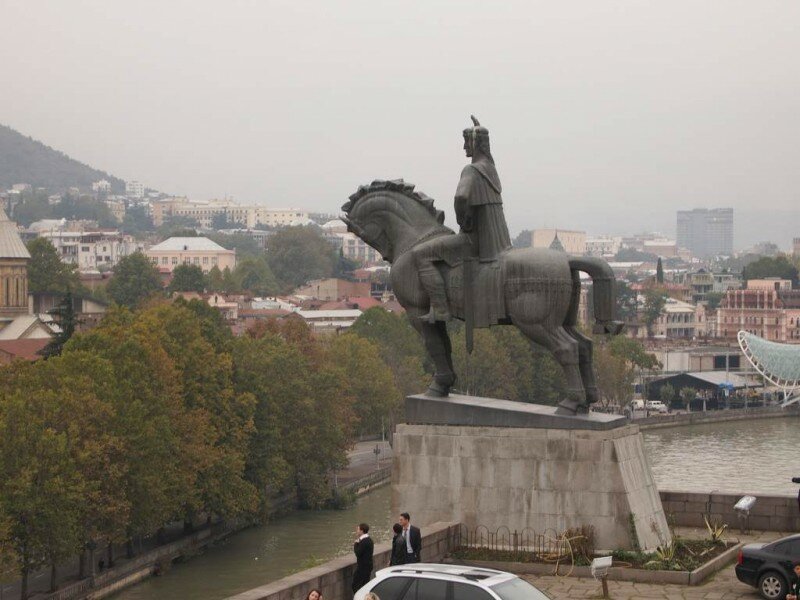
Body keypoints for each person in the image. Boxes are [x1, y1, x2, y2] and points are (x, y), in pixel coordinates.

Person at [412, 115, 511, 323]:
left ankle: (440, 309)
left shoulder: (472, 170)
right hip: (497, 240)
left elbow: (461, 196)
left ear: (475, 143)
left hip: (475, 240)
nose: (464, 147)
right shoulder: (490, 169)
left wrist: (462, 220)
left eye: (467, 142)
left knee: (420, 254)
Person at [352, 523, 374, 594]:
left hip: (362, 567)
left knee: (355, 585)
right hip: (368, 566)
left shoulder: (363, 541)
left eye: (358, 529)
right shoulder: (369, 540)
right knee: (365, 585)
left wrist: (355, 544)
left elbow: (358, 553)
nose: (357, 531)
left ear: (362, 531)